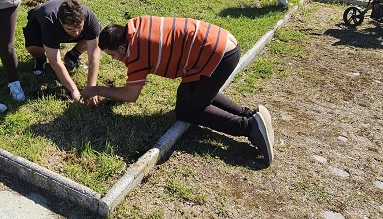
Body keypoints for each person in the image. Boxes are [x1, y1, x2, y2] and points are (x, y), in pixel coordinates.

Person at [81, 16, 275, 166]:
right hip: (222, 42)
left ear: (122, 47)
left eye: (112, 55)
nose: (114, 59)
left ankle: (249, 127)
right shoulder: (136, 24)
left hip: (216, 56)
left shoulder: (135, 54)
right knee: (194, 93)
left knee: (187, 110)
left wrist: (97, 89)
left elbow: (131, 95)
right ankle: (249, 114)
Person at [23, 0, 102, 104]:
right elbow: (55, 62)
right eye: (71, 29)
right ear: (60, 21)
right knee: (33, 47)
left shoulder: (89, 18)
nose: (77, 33)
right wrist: (73, 89)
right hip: (39, 23)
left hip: (61, 29)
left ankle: (72, 56)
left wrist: (92, 88)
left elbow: (94, 54)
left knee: (94, 38)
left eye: (79, 27)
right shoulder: (50, 21)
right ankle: (40, 59)